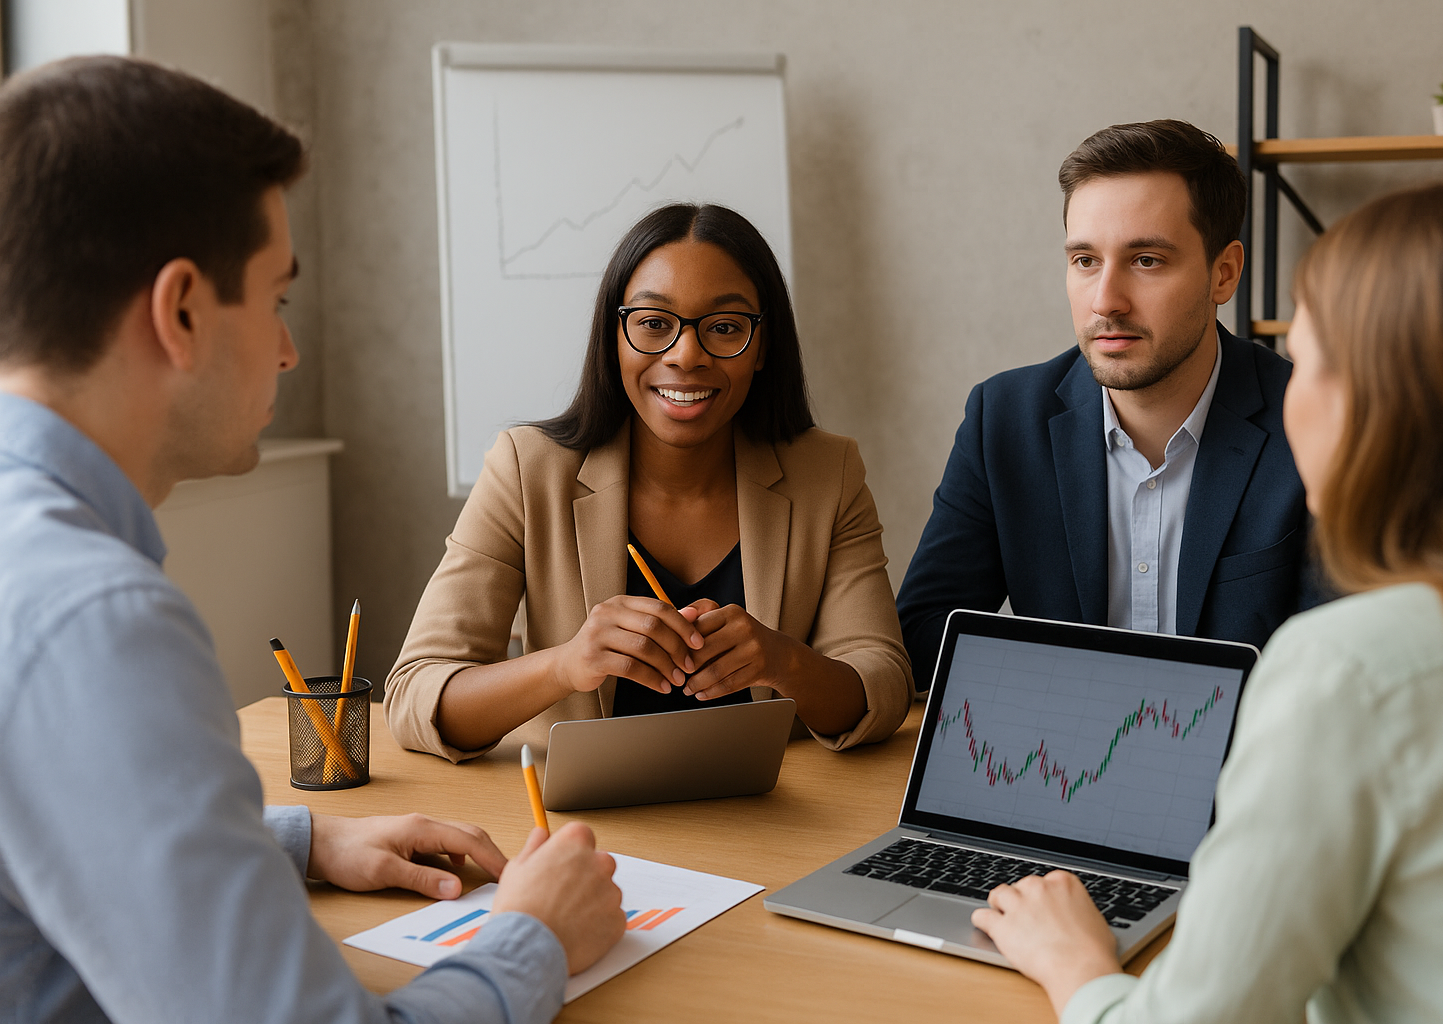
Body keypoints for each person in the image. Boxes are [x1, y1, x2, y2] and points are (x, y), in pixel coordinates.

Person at [0, 56, 624, 1024]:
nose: (289, 349)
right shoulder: (94, 621)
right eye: (277, 298)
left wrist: (299, 842)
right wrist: (535, 932)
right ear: (180, 311)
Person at [971, 178, 1443, 1022]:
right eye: (1083, 259)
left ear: (1386, 406)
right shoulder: (1007, 412)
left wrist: (1079, 966)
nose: (1285, 394)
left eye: (1306, 364)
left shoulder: (1351, 670)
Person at [386, 204, 913, 761]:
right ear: (614, 338)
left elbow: (883, 684)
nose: (686, 355)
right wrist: (567, 664)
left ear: (762, 347)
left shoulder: (827, 474)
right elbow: (416, 696)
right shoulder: (527, 468)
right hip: (583, 832)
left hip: (770, 829)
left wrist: (784, 661)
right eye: (653, 324)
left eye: (726, 328)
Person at [897, 119, 1313, 690]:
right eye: (1085, 260)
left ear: (1224, 273)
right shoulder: (1005, 419)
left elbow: (1351, 664)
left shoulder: (1316, 424)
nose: (1104, 301)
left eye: (1146, 260)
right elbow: (921, 639)